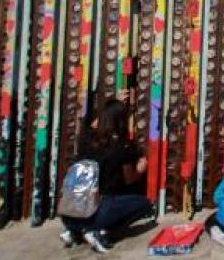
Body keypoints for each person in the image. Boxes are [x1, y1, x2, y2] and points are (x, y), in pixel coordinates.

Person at [59, 99, 154, 253]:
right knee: (144, 205)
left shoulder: (85, 139)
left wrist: (112, 104)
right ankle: (98, 230)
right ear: (120, 122)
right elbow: (130, 179)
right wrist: (141, 169)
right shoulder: (120, 147)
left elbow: (91, 122)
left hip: (69, 212)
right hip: (98, 209)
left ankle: (73, 231)